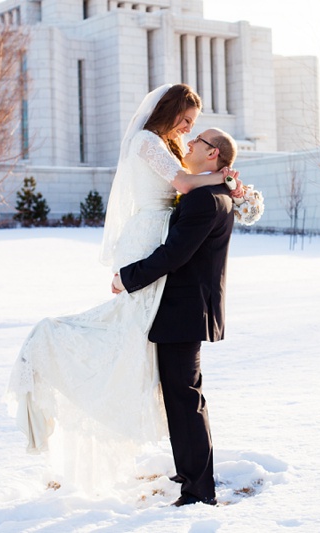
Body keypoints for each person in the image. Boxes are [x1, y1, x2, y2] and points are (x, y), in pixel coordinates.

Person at [4, 84, 245, 493]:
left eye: (193, 128)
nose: (187, 131)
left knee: (171, 384)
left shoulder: (185, 167)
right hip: (150, 249)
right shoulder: (148, 142)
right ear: (169, 110)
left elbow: (186, 205)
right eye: (186, 121)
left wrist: (224, 182)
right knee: (151, 365)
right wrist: (221, 179)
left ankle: (196, 481)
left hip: (167, 272)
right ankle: (192, 474)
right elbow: (184, 186)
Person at [111, 127, 238, 507]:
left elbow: (173, 255)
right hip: (186, 310)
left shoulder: (205, 200)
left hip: (184, 311)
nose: (190, 143)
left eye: (198, 140)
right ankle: (189, 471)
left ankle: (199, 491)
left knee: (185, 400)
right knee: (182, 398)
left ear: (212, 154)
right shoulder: (214, 193)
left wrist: (126, 277)